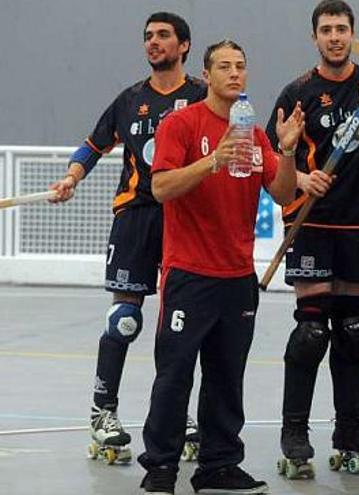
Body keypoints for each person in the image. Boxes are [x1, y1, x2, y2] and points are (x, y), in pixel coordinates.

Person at [137, 39, 300, 495]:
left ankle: (219, 465)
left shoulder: (256, 133)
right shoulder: (181, 124)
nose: (233, 73)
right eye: (223, 66)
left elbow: (285, 194)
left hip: (237, 277)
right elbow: (163, 187)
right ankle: (162, 468)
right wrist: (212, 161)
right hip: (189, 274)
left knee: (227, 377)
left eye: (240, 66)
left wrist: (286, 152)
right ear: (205, 76)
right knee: (175, 374)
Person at [48, 12, 205, 464]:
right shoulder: (129, 99)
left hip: (185, 218)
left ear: (185, 45)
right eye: (148, 37)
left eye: (163, 36)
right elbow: (93, 145)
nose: (153, 43)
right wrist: (71, 177)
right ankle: (103, 412)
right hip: (136, 217)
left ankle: (180, 415)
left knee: (181, 324)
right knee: (124, 319)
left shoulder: (200, 97)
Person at [266, 0, 359, 477]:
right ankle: (295, 432)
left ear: (353, 34)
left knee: (352, 331)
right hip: (311, 221)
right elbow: (275, 166)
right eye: (326, 29)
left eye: (342, 29)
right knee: (311, 332)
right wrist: (305, 177)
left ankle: (349, 428)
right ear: (314, 37)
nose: (334, 37)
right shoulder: (297, 92)